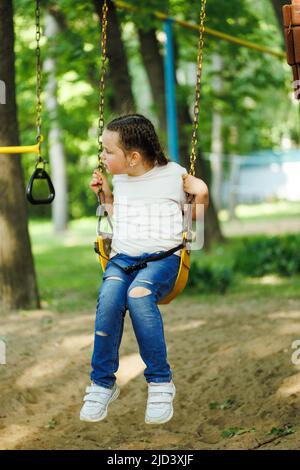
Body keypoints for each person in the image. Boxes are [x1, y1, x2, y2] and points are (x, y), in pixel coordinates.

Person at [80, 114, 209, 425]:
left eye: (108, 151)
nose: (103, 156)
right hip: (123, 258)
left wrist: (200, 193)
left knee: (138, 295)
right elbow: (117, 214)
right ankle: (102, 384)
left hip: (164, 258)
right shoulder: (122, 179)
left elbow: (194, 222)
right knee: (110, 297)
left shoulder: (175, 176)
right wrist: (105, 195)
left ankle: (161, 383)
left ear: (133, 157)